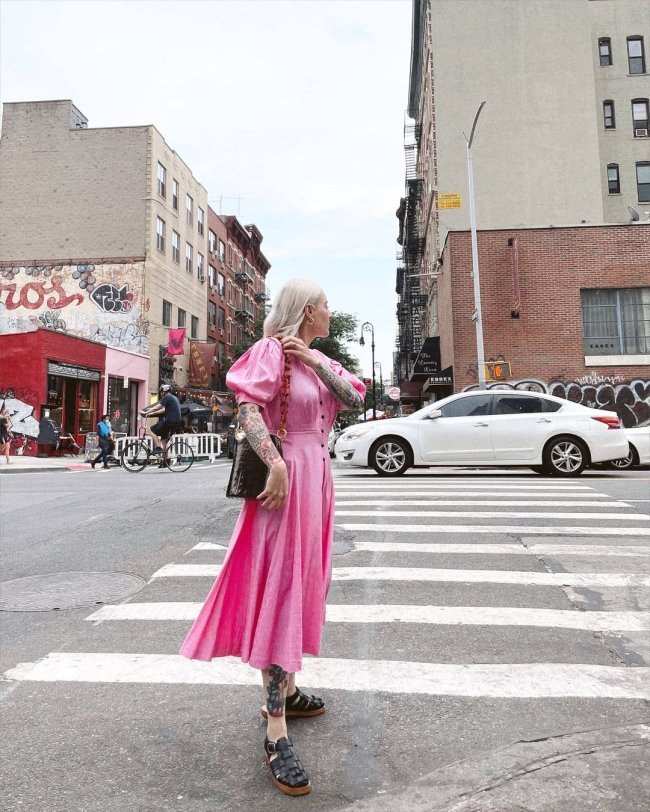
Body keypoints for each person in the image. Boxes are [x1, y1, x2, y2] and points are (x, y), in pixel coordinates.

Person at [180, 279, 365, 797]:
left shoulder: (311, 356)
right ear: (308, 310)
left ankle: (287, 686)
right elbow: (246, 409)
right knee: (283, 590)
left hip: (317, 480)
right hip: (284, 483)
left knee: (307, 583)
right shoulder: (267, 351)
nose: (331, 311)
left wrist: (312, 356)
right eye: (326, 304)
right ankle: (275, 729)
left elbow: (350, 396)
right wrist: (276, 464)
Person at [141, 384, 183, 455]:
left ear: (164, 391)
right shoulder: (174, 398)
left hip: (170, 421)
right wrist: (151, 414)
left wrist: (146, 412)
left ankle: (157, 447)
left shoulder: (167, 397)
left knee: (152, 430)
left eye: (161, 391)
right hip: (177, 422)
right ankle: (166, 461)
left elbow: (157, 407)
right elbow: (163, 410)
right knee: (164, 440)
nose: (161, 393)